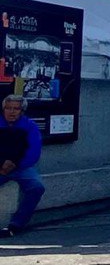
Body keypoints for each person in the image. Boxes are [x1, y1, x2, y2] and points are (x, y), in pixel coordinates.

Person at [0, 95, 45, 238]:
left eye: (16, 109)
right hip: (0, 166)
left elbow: (34, 151)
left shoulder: (30, 126)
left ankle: (16, 225)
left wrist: (16, 164)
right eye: (8, 108)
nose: (11, 112)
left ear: (22, 111)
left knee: (37, 187)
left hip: (21, 167)